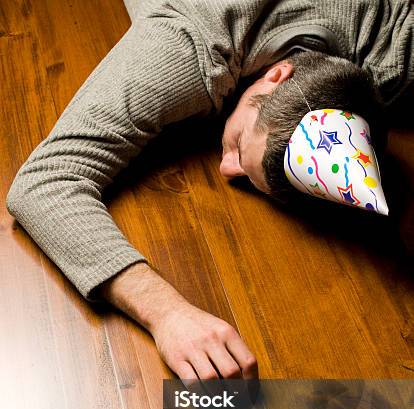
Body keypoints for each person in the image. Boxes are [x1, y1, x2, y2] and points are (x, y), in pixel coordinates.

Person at [6, 0, 413, 382]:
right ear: (276, 76)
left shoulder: (397, 47)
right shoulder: (193, 44)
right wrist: (168, 315)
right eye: (238, 144)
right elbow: (47, 181)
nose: (225, 167)